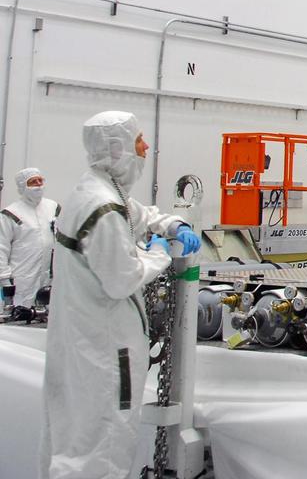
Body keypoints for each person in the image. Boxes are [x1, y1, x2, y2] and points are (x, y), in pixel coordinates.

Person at [40, 111, 202, 479]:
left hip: (86, 339)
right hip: (106, 347)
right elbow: (122, 278)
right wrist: (161, 252)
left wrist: (171, 223)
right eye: (139, 141)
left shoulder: (96, 190)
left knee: (76, 440)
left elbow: (136, 215)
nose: (146, 148)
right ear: (118, 149)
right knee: (104, 444)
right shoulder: (103, 207)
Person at [0, 168, 58, 316]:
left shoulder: (52, 207)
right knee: (18, 317)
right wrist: (5, 280)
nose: (38, 185)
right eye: (32, 182)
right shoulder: (11, 214)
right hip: (21, 279)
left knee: (44, 315)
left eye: (40, 180)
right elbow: (1, 248)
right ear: (22, 186)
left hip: (47, 279)